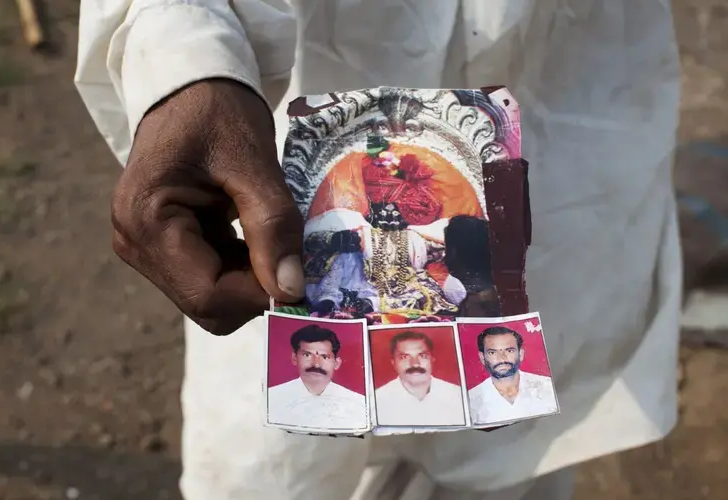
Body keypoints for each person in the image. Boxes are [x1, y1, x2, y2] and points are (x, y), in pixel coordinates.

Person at [74, 1, 682, 499]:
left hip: (566, 109)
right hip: (296, 136)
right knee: (281, 461)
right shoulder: (341, 226)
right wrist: (184, 53)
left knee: (510, 453)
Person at [268, 324, 367, 430]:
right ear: (294, 358)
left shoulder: (358, 404)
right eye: (307, 355)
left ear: (337, 363)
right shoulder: (271, 398)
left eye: (324, 357)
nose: (316, 364)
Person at [468, 326, 558, 425]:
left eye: (509, 351)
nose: (502, 358)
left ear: (521, 354)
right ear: (482, 358)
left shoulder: (547, 387)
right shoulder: (471, 401)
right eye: (492, 352)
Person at [374, 331, 465, 427]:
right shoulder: (377, 400)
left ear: (432, 359)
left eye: (422, 356)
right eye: (405, 357)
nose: (415, 363)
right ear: (393, 363)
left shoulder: (458, 395)